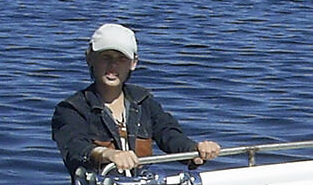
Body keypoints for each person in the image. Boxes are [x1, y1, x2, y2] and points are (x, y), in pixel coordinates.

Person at [52, 23, 220, 176]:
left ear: (133, 63)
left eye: (121, 59)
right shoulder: (71, 109)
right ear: (90, 58)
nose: (113, 66)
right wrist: (108, 154)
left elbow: (169, 133)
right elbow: (74, 148)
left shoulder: (143, 102)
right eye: (106, 58)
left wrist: (195, 149)